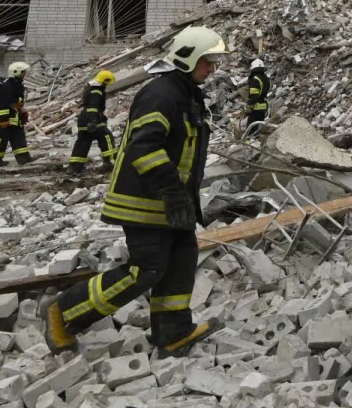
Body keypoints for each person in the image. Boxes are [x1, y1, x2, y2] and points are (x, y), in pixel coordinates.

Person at [41, 27, 227, 358]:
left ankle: (173, 332)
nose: (211, 68)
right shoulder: (161, 95)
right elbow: (144, 147)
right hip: (145, 202)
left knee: (181, 263)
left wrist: (181, 197)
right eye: (207, 61)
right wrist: (172, 190)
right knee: (146, 270)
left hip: (173, 203)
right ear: (187, 58)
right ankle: (64, 311)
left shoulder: (186, 94)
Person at [68, 69, 117, 179]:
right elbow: (93, 108)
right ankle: (111, 163)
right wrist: (93, 121)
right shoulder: (97, 91)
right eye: (107, 83)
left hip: (84, 120)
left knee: (82, 143)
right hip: (93, 120)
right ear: (104, 81)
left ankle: (74, 168)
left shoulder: (90, 88)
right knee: (106, 137)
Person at [0, 62, 33, 168]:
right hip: (6, 118)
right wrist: (4, 120)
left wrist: (22, 111)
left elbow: (16, 101)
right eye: (23, 72)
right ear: (16, 72)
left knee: (18, 137)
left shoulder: (17, 84)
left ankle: (24, 159)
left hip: (15, 117)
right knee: (1, 139)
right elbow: (2, 104)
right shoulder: (6, 85)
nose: (24, 74)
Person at [246, 58, 271, 130]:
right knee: (258, 127)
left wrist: (249, 107)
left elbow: (253, 96)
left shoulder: (255, 79)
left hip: (256, 108)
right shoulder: (266, 78)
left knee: (251, 128)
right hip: (263, 106)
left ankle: (248, 141)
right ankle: (256, 140)